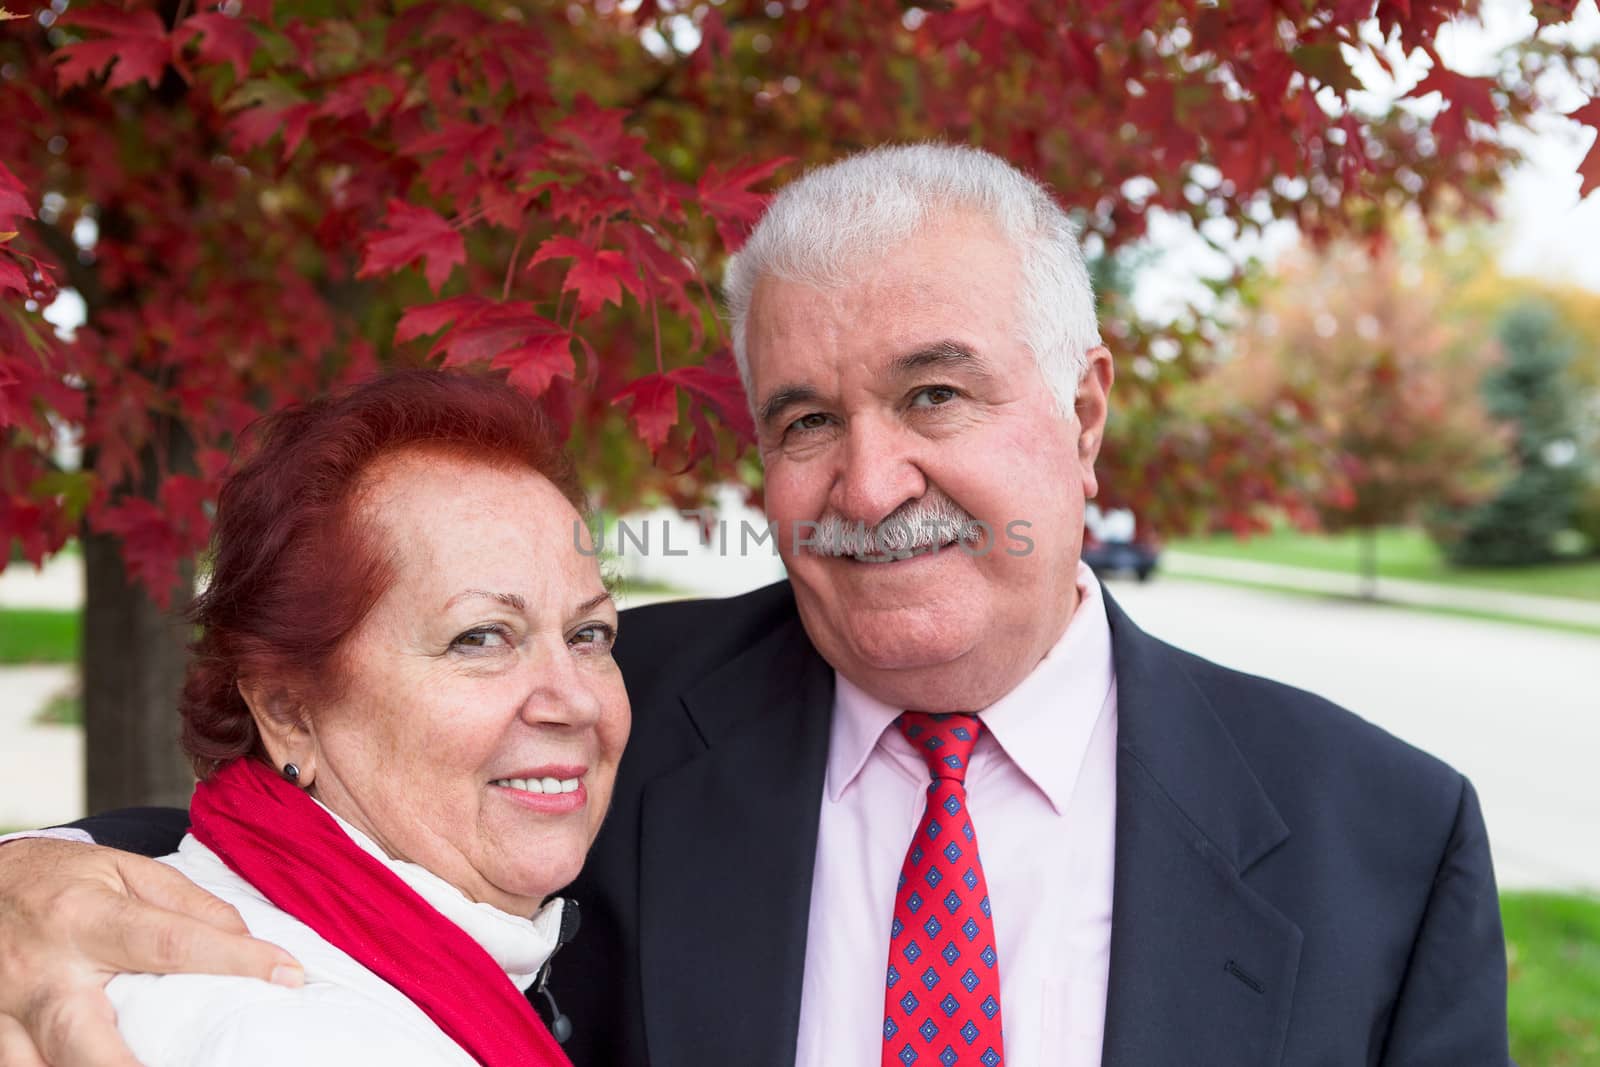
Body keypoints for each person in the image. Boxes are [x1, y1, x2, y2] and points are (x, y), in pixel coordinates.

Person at [0, 145, 1508, 1067]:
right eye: (802, 420)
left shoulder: (1377, 833)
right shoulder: (612, 715)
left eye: (935, 390)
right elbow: (290, 835)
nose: (867, 479)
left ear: (1085, 405)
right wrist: (18, 878)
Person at [1, 370, 630, 1066]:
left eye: (590, 634)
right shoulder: (281, 1027)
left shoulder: (439, 944)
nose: (575, 700)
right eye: (479, 636)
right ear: (286, 710)